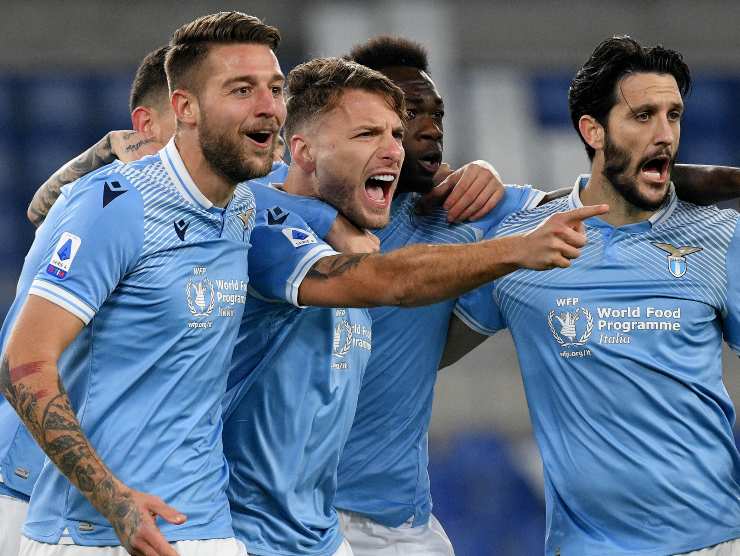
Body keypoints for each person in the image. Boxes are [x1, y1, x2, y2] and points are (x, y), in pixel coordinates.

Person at [336, 35, 740, 556]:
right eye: (643, 116)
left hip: (716, 543)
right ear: (592, 130)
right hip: (583, 547)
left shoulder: (717, 238)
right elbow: (414, 353)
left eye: (674, 116)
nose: (665, 134)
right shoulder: (522, 242)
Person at [221, 55, 608, 556]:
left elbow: (604, 196)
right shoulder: (254, 212)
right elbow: (387, 279)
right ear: (306, 148)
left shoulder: (449, 213)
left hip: (399, 525)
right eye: (377, 129)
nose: (417, 134)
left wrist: (487, 174)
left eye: (402, 130)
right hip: (271, 519)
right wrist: (516, 248)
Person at [0, 11, 290, 556]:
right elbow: (23, 362)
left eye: (275, 89)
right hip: (64, 510)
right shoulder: (108, 203)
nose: (268, 107)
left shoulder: (241, 201)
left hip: (198, 518)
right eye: (242, 90)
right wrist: (115, 502)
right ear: (177, 112)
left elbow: (329, 164)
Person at [0, 44, 179, 556]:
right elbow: (40, 209)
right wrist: (102, 155)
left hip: (126, 490)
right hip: (28, 484)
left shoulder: (227, 208)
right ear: (147, 126)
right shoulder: (112, 197)